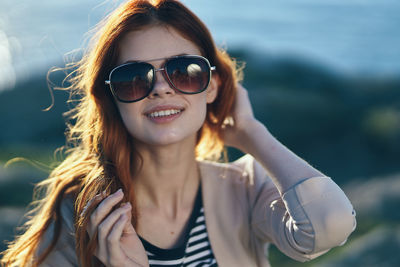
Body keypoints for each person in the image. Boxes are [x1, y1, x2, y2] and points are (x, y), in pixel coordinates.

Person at [0, 0, 356, 266]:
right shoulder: (82, 210)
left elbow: (332, 225)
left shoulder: (246, 188)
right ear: (112, 98)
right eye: (134, 78)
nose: (161, 89)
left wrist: (251, 133)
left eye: (184, 71)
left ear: (212, 86)